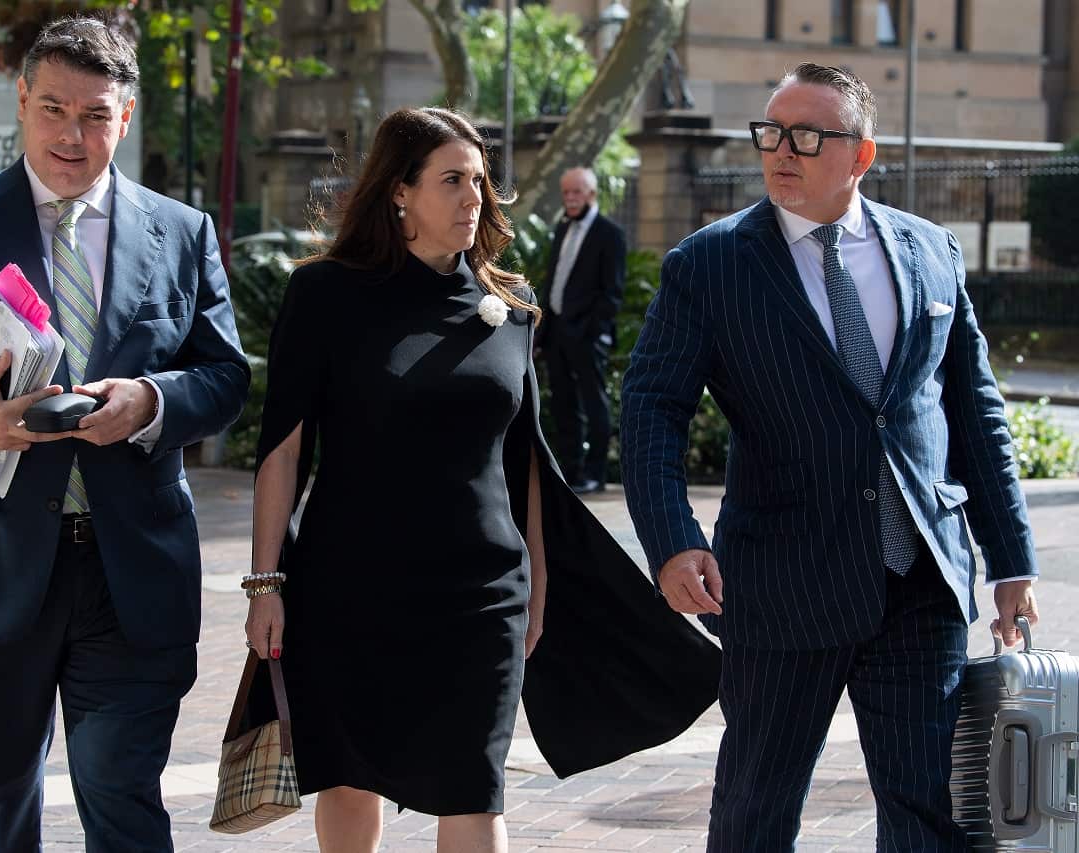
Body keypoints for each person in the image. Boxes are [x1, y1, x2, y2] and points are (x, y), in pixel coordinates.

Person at [240, 107, 721, 853]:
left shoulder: (511, 306)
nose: (475, 197)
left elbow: (523, 457)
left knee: (472, 784)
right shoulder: (326, 295)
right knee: (349, 774)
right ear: (400, 192)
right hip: (350, 586)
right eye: (453, 180)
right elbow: (283, 450)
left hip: (481, 595)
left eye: (480, 180)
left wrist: (538, 583)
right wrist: (265, 582)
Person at [0, 16, 249, 852]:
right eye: (54, 108)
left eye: (95, 115)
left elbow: (225, 377)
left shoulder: (183, 233)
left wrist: (149, 400)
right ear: (22, 101)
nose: (72, 134)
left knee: (122, 790)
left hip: (130, 568)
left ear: (125, 119)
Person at [620, 62, 1041, 851]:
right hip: (783, 582)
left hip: (920, 577)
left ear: (861, 154)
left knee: (928, 811)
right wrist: (674, 537)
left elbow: (975, 413)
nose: (782, 150)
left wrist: (1012, 556)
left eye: (808, 135)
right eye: (772, 132)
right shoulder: (709, 266)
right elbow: (651, 408)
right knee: (755, 807)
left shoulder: (930, 250)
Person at [538, 166, 627, 494]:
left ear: (591, 194)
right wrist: (543, 330)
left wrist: (593, 330)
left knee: (593, 403)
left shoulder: (609, 234)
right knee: (563, 403)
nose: (571, 199)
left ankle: (595, 473)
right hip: (558, 331)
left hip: (587, 334)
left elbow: (612, 291)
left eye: (577, 192)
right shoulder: (563, 228)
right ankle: (571, 471)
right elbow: (553, 280)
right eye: (566, 193)